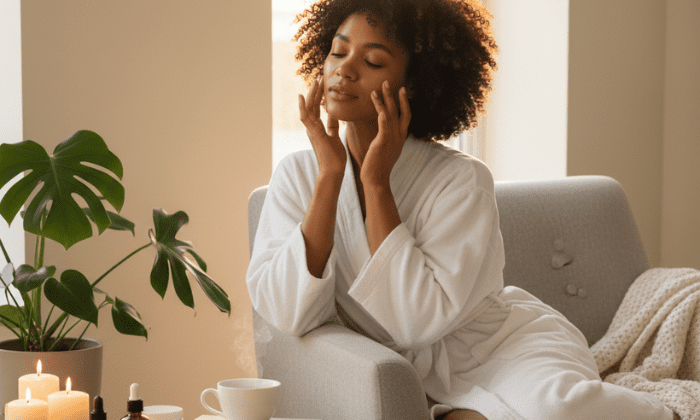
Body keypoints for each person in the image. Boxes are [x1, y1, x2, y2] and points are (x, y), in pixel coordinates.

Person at [247, 1, 677, 419]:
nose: (344, 68)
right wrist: (329, 177)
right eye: (338, 51)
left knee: (555, 409)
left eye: (373, 61)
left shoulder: (462, 180)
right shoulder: (301, 175)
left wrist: (376, 184)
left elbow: (417, 322)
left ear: (411, 85)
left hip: (500, 347)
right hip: (407, 370)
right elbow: (285, 311)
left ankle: (670, 413)